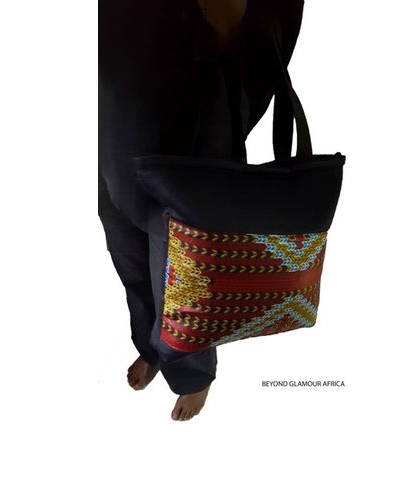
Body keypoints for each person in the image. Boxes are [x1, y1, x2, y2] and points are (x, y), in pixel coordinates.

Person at [98, 0, 305, 421]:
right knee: (125, 235)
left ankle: (192, 371)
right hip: (119, 76)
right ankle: (154, 345)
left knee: (189, 255)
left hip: (196, 63)